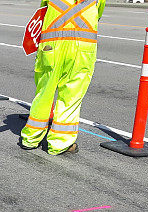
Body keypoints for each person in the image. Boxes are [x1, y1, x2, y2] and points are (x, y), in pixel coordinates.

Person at [20, 0, 106, 155]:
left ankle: (30, 138)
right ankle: (59, 143)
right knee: (71, 97)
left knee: (44, 93)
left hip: (51, 46)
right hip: (83, 48)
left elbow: (43, 11)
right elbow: (98, 14)